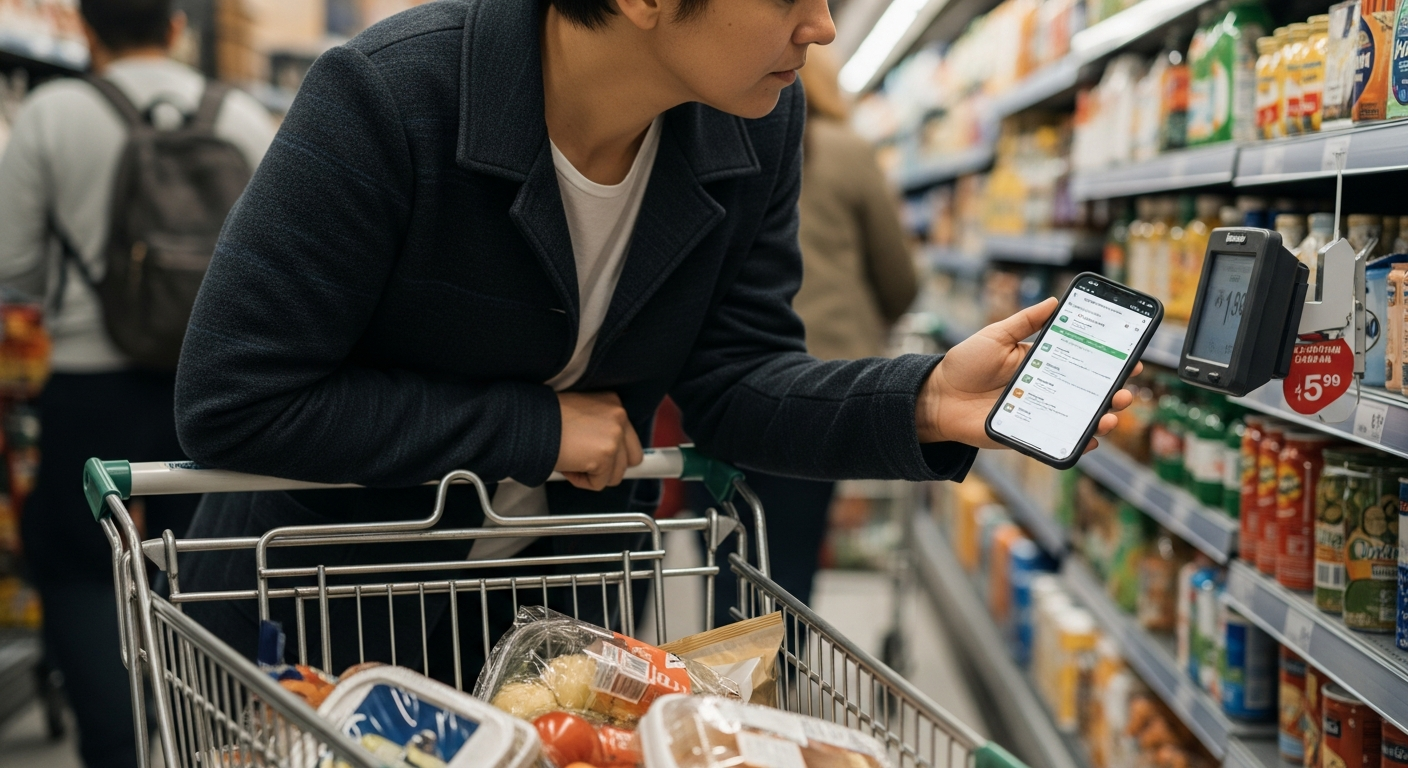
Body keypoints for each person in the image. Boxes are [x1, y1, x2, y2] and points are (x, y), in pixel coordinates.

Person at [172, 0, 1136, 680]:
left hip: (551, 615)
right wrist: (534, 430)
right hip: (314, 610)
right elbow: (236, 396)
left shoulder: (753, 124)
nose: (823, 25)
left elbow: (735, 380)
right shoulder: (392, 95)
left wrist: (923, 400)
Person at [0, 1, 273, 765]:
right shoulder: (242, 117)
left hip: (91, 387)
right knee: (215, 569)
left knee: (85, 571)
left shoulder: (54, 114)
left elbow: (12, 265)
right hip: (217, 391)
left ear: (85, 29)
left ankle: (119, 749)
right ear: (178, 28)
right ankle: (212, 741)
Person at [697, 47, 918, 622]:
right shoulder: (848, 152)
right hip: (824, 383)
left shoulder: (717, 136)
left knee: (727, 548)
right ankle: (771, 687)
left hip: (714, 374)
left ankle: (721, 674)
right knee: (789, 562)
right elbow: (899, 278)